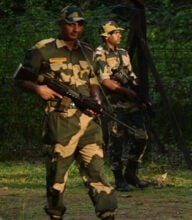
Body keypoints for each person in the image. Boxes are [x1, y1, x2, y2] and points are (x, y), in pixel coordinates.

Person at [13, 5, 117, 219]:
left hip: (88, 121)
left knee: (97, 171)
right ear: (61, 24)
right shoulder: (43, 49)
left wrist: (95, 97)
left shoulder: (88, 51)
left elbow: (92, 79)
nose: (76, 28)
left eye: (80, 24)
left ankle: (107, 213)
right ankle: (55, 213)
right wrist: (38, 89)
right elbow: (20, 78)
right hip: (60, 121)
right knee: (57, 176)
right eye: (71, 23)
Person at [94, 20, 149, 192]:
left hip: (131, 102)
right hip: (114, 104)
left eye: (119, 32)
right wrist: (126, 91)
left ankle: (131, 173)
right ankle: (118, 178)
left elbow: (131, 75)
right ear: (106, 36)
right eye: (115, 32)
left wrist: (138, 94)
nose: (119, 35)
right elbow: (105, 81)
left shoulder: (124, 53)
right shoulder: (99, 54)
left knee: (142, 137)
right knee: (117, 140)